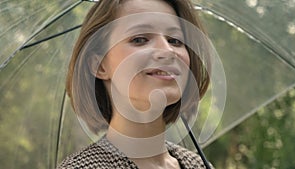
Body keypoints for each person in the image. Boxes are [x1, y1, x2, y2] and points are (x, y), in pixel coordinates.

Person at [58, 0, 213, 168]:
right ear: (100, 65)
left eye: (175, 40)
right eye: (140, 39)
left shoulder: (200, 165)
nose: (167, 51)